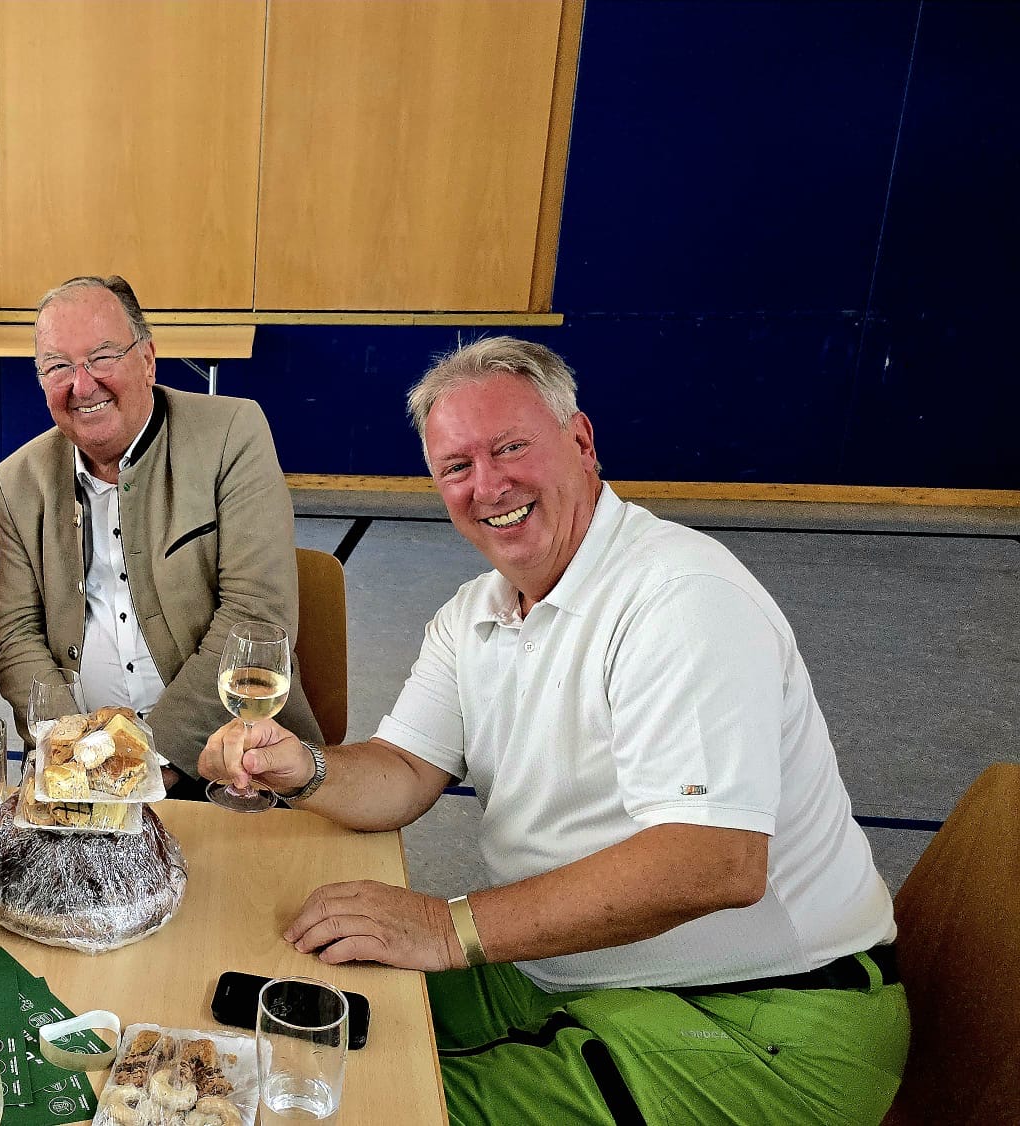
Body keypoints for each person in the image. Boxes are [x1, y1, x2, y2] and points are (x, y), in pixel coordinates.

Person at [201, 337, 907, 1124]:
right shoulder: (476, 612)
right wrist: (306, 770)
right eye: (457, 467)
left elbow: (716, 862)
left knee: (339, 1104)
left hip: (763, 1020)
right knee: (278, 1021)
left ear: (580, 442)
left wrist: (446, 925)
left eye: (510, 447)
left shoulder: (680, 597)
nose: (488, 485)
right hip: (573, 966)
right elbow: (404, 767)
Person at [0, 275, 321, 792]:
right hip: (80, 767)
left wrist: (144, 759)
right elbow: (16, 635)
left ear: (147, 359)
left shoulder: (232, 434)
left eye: (102, 357)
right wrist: (70, 746)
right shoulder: (19, 479)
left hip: (228, 758)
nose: (82, 385)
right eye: (58, 366)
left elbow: (256, 616)